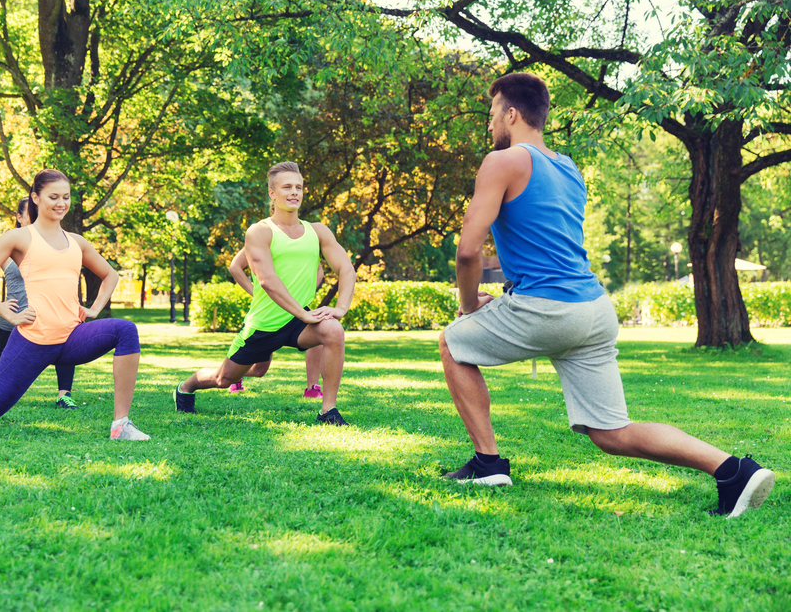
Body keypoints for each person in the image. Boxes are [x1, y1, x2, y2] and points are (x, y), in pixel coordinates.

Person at [438, 72, 774, 518]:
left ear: (511, 113)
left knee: (452, 341)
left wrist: (466, 307)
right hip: (593, 309)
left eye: (492, 113)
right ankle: (733, 470)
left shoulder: (501, 162)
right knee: (612, 432)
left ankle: (488, 463)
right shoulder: (568, 167)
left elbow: (467, 252)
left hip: (548, 308)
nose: (489, 124)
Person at [0, 169, 149, 441]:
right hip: (34, 340)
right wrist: (8, 312)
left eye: (65, 197)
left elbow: (110, 275)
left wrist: (94, 309)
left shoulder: (77, 242)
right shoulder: (19, 237)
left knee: (125, 330)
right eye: (53, 196)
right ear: (36, 197)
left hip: (71, 337)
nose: (61, 203)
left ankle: (120, 425)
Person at [174, 161, 356, 425]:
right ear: (272, 193)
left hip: (296, 320)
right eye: (287, 187)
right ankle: (186, 387)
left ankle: (327, 410)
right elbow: (267, 281)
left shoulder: (317, 231)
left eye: (299, 187)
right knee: (225, 379)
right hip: (263, 324)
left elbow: (346, 269)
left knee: (334, 331)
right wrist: (304, 316)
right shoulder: (260, 231)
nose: (294, 192)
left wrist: (340, 309)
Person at [0, 197, 78, 409]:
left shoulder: (56, 243)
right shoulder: (10, 244)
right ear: (18, 217)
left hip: (50, 318)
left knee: (65, 351)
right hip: (13, 321)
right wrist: (1, 306)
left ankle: (64, 394)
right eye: (31, 212)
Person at [226, 246, 324, 398]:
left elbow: (318, 271)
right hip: (269, 314)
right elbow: (235, 267)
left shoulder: (305, 238)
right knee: (260, 370)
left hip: (297, 311)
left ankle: (312, 388)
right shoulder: (262, 235)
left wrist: (301, 297)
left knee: (320, 331)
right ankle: (237, 374)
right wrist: (256, 294)